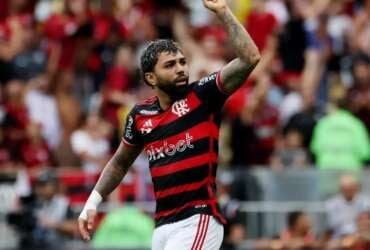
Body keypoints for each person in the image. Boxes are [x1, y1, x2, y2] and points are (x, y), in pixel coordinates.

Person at [78, 0, 260, 249]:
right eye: (170, 65)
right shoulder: (140, 116)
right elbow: (120, 162)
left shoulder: (203, 95)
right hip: (163, 226)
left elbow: (250, 58)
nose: (181, 69)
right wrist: (92, 202)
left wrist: (223, 12)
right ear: (150, 77)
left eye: (182, 62)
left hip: (198, 219)